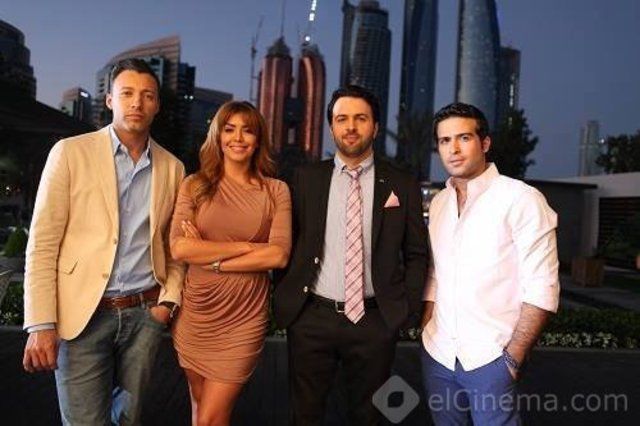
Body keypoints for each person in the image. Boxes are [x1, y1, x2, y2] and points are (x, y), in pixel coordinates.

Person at [22, 58, 186, 425]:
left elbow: (173, 244)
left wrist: (167, 303)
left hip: (145, 314)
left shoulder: (173, 168)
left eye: (147, 95)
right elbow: (43, 243)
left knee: (129, 420)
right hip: (82, 315)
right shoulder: (70, 153)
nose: (137, 103)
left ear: (157, 105)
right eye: (127, 93)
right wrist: (41, 323)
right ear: (110, 99)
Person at [273, 85, 428, 425]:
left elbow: (417, 253)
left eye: (361, 118)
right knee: (305, 416)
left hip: (375, 322)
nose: (351, 127)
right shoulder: (305, 178)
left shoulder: (401, 183)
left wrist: (404, 310)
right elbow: (287, 243)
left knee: (369, 416)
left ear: (375, 126)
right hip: (312, 318)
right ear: (331, 127)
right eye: (342, 119)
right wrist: (291, 303)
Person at [421, 102, 560, 424]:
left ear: (484, 143)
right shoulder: (440, 203)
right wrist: (427, 325)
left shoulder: (521, 199)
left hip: (491, 358)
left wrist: (513, 358)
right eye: (444, 140)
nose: (454, 149)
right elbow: (436, 272)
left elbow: (542, 286)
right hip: (438, 354)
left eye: (464, 138)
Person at [169, 100, 291, 425]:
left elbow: (278, 255)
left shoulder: (276, 191)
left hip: (244, 317)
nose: (238, 138)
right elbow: (179, 248)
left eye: (247, 131)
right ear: (218, 136)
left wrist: (211, 258)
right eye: (229, 129)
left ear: (258, 139)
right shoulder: (194, 185)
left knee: (211, 418)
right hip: (196, 313)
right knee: (199, 409)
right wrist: (247, 247)